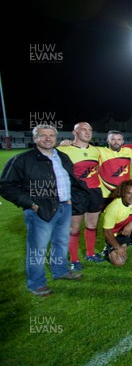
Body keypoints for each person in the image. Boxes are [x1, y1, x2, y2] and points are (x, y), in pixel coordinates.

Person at [0, 124, 83, 297]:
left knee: (61, 242)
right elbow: (6, 186)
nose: (48, 138)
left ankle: (60, 271)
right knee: (38, 248)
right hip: (39, 210)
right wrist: (31, 204)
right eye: (43, 135)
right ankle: (36, 283)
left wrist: (71, 200)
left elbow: (71, 180)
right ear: (35, 138)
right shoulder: (22, 160)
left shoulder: (62, 156)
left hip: (64, 207)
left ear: (56, 138)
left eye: (51, 135)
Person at [57, 122, 105, 270]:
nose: (87, 132)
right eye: (83, 129)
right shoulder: (62, 149)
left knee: (92, 225)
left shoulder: (96, 151)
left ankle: (90, 254)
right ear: (74, 132)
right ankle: (74, 260)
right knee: (74, 228)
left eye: (90, 129)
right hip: (76, 193)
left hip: (95, 191)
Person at [97, 130, 132, 198]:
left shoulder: (128, 151)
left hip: (124, 193)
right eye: (112, 139)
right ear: (107, 140)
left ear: (122, 141)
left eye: (119, 139)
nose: (116, 142)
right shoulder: (99, 151)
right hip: (106, 194)